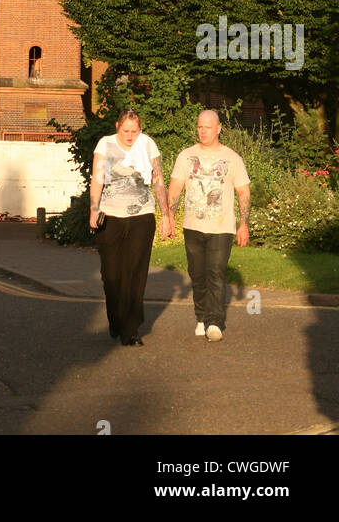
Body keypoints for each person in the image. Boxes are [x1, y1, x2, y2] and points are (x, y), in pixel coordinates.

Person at [89, 108, 171, 346]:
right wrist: (94, 208)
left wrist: (165, 214)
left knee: (135, 273)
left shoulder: (148, 145)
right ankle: (116, 319)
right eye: (126, 131)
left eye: (134, 131)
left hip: (142, 217)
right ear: (117, 126)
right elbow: (97, 178)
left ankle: (131, 329)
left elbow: (158, 180)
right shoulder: (104, 145)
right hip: (111, 215)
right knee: (111, 275)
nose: (130, 136)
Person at [168, 109, 251, 343]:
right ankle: (201, 317)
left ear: (218, 129)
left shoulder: (232, 158)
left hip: (222, 227)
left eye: (207, 127)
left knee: (216, 272)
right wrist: (170, 215)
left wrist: (243, 224)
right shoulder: (186, 156)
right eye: (199, 127)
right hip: (193, 225)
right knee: (198, 274)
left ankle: (214, 321)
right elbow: (175, 188)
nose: (202, 131)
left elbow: (244, 192)